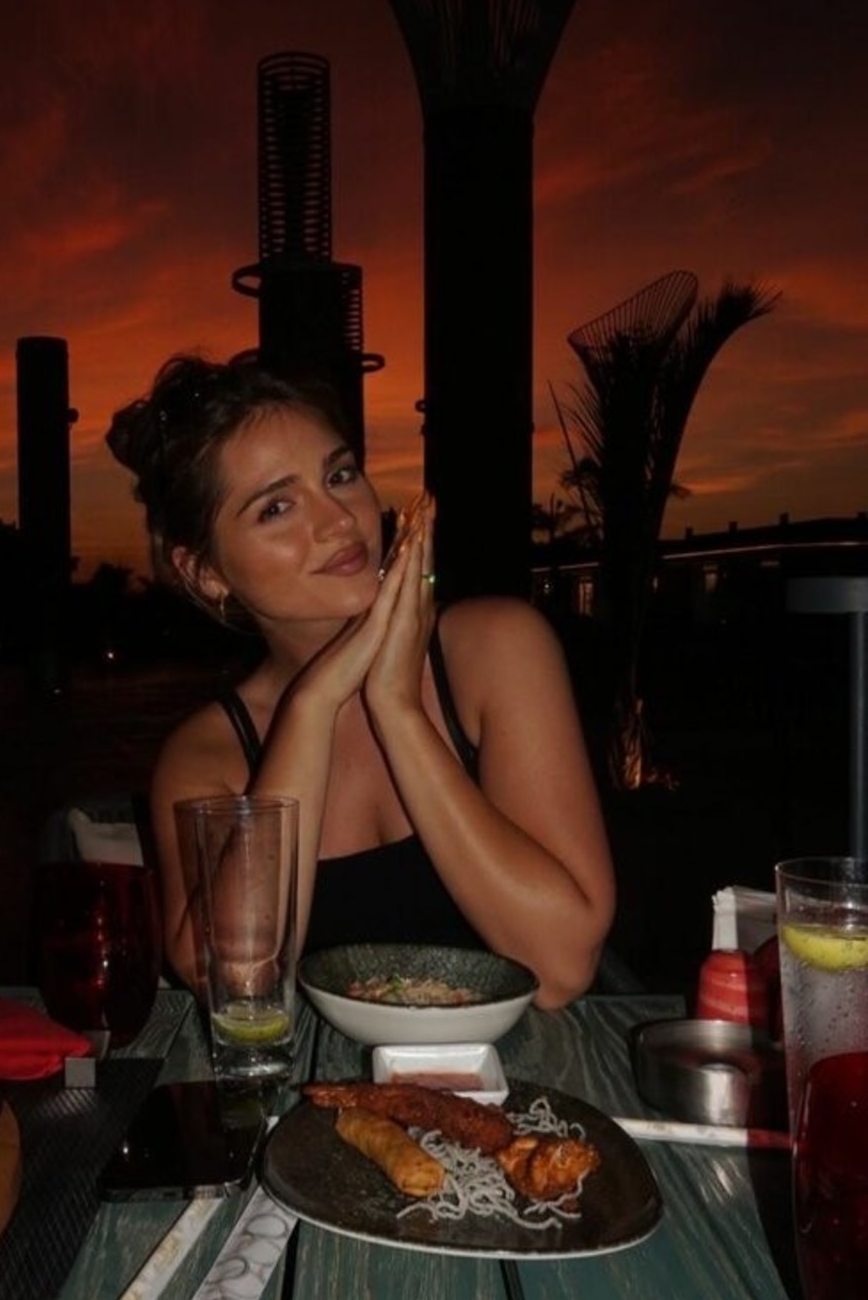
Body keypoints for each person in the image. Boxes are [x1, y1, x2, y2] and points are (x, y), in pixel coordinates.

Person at [107, 353, 615, 1008]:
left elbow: (562, 966)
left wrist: (398, 708)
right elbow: (238, 989)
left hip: (524, 1067)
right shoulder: (209, 755)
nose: (339, 520)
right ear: (205, 572)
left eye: (340, 475)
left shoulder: (494, 649)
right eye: (277, 507)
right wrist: (313, 707)